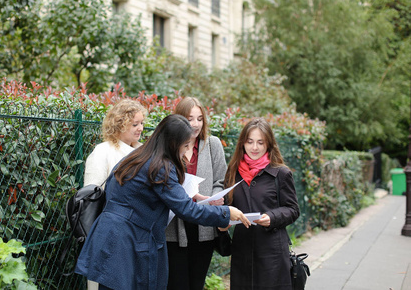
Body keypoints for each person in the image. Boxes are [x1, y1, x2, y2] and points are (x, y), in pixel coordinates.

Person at [75, 114, 251, 290]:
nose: (185, 152)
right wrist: (226, 213)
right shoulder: (160, 166)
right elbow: (187, 210)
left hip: (113, 235)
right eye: (185, 146)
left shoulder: (139, 155)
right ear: (173, 143)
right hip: (127, 241)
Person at [224, 117, 300, 290]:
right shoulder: (232, 173)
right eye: (250, 142)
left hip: (272, 252)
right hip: (242, 251)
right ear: (243, 143)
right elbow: (226, 206)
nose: (254, 147)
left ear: (268, 144)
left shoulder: (281, 173)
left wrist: (272, 217)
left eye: (260, 142)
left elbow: (293, 209)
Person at [82, 98, 146, 290]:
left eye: (142, 123)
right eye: (135, 124)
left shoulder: (144, 151)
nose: (140, 128)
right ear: (119, 124)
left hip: (138, 233)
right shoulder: (103, 152)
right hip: (110, 234)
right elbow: (91, 196)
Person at [165, 97, 227, 290]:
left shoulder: (212, 144)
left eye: (200, 118)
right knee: (177, 283)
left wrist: (215, 198)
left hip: (204, 225)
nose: (195, 124)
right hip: (174, 227)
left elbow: (220, 180)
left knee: (197, 283)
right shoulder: (169, 147)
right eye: (190, 118)